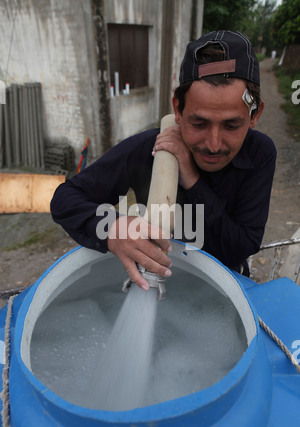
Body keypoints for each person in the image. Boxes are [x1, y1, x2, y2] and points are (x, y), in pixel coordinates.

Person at [51, 30, 276, 291]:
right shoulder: (150, 147)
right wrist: (113, 228)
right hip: (154, 284)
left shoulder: (259, 153)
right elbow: (65, 199)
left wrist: (192, 179)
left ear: (254, 114)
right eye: (199, 123)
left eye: (232, 125)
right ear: (178, 109)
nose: (214, 145)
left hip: (223, 287)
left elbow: (241, 246)